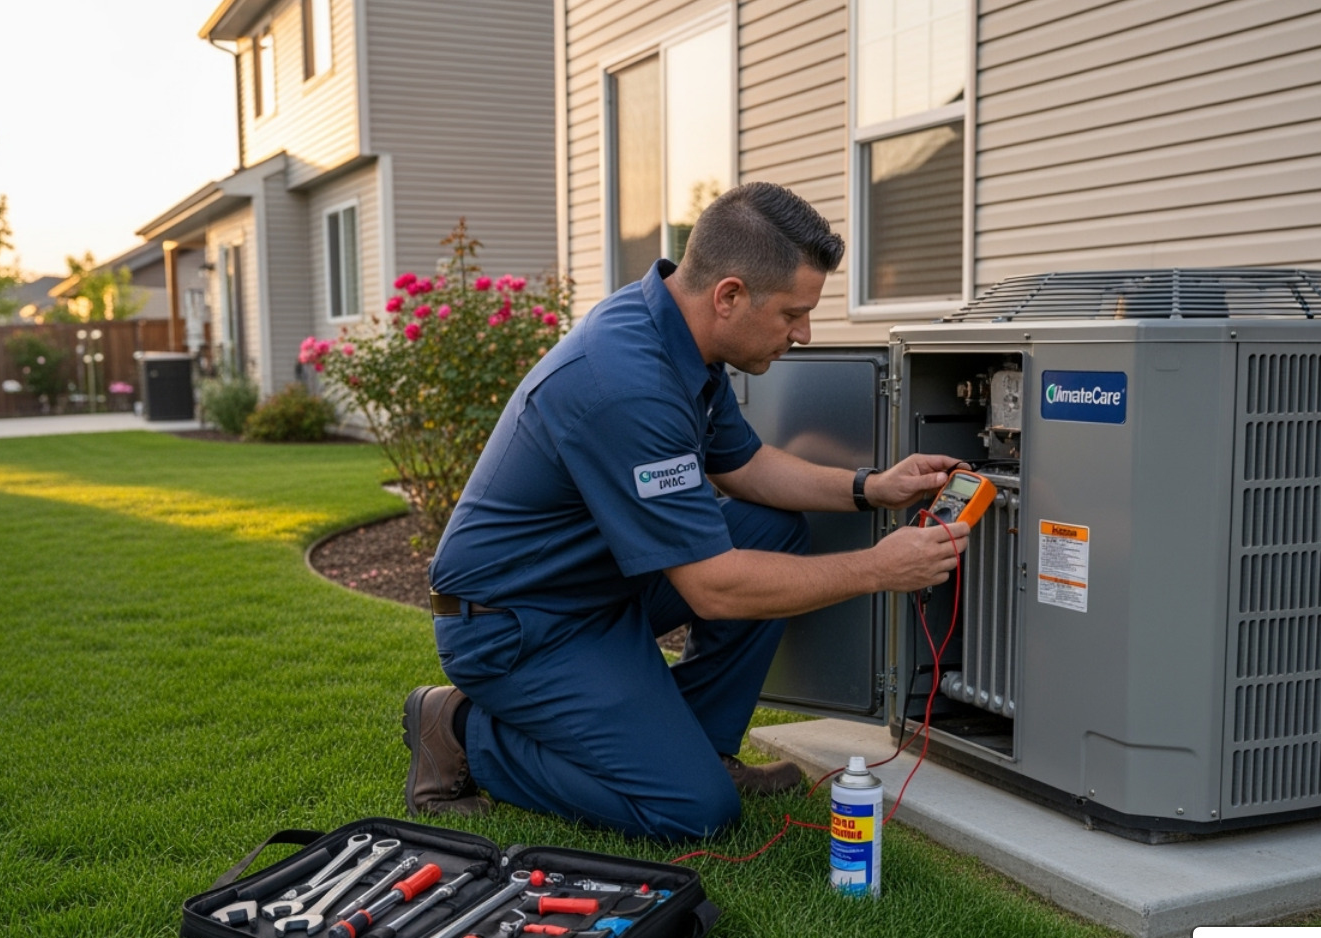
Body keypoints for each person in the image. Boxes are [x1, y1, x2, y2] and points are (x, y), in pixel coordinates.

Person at [407, 182, 969, 839]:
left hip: (594, 587)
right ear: (729, 295)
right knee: (692, 812)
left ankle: (703, 748)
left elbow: (746, 466)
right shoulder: (626, 383)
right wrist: (879, 567)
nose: (804, 334)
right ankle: (461, 730)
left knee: (773, 527)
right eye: (793, 314)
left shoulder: (680, 340)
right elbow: (714, 588)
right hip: (518, 623)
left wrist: (871, 486)